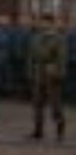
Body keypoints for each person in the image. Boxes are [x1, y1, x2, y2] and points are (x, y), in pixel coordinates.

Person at [29, 12, 67, 142]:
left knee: (55, 105)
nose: (42, 24)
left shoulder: (58, 39)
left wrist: (58, 73)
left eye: (45, 22)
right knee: (37, 105)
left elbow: (61, 58)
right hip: (39, 74)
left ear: (51, 23)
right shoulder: (37, 38)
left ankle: (60, 128)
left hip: (51, 76)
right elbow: (32, 57)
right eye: (41, 22)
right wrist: (31, 73)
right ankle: (38, 130)